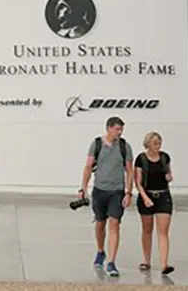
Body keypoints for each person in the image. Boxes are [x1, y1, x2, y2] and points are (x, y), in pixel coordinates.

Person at [79, 116, 134, 277]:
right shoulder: (96, 144)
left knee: (115, 223)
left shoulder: (125, 146)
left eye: (121, 129)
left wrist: (129, 192)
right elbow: (88, 166)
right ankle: (100, 251)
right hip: (99, 190)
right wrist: (83, 187)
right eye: (117, 129)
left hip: (117, 191)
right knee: (100, 224)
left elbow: (129, 171)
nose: (119, 132)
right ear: (108, 128)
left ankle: (111, 262)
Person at [135, 131, 175, 275]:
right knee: (147, 229)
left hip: (163, 196)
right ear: (148, 145)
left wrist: (169, 177)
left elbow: (168, 174)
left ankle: (164, 264)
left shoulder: (165, 157)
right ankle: (146, 260)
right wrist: (145, 197)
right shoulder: (141, 159)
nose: (158, 146)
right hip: (147, 195)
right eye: (155, 143)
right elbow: (138, 182)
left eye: (159, 143)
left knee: (163, 231)